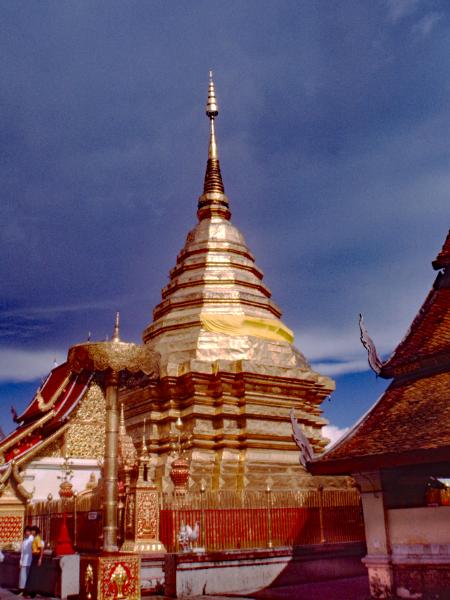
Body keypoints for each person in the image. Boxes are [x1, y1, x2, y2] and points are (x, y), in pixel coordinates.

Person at [23, 526, 44, 598]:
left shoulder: (37, 538)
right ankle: (31, 593)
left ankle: (31, 593)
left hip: (36, 557)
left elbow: (41, 549)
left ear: (36, 531)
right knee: (33, 575)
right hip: (34, 556)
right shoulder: (35, 538)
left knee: (33, 575)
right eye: (31, 530)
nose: (32, 532)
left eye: (33, 531)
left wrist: (40, 559)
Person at [18, 526, 33, 593]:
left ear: (30, 532)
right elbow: (22, 552)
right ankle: (22, 590)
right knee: (22, 576)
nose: (27, 533)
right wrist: (20, 561)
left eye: (28, 531)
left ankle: (26, 591)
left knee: (28, 577)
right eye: (26, 531)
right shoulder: (24, 540)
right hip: (24, 561)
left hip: (30, 560)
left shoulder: (32, 539)